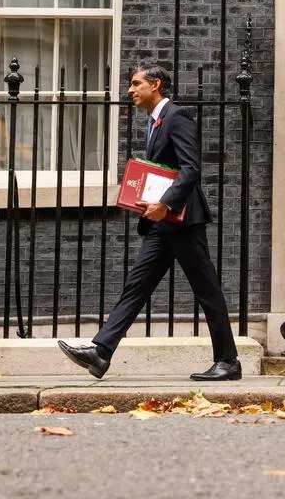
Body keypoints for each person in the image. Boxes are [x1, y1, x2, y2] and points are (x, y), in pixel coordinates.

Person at [58, 65, 241, 381]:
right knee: (136, 285)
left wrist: (166, 202)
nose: (130, 90)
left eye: (135, 84)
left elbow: (190, 169)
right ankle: (101, 352)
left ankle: (228, 361)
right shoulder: (154, 121)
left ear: (155, 85)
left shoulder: (176, 117)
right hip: (161, 223)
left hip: (183, 220)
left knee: (207, 290)